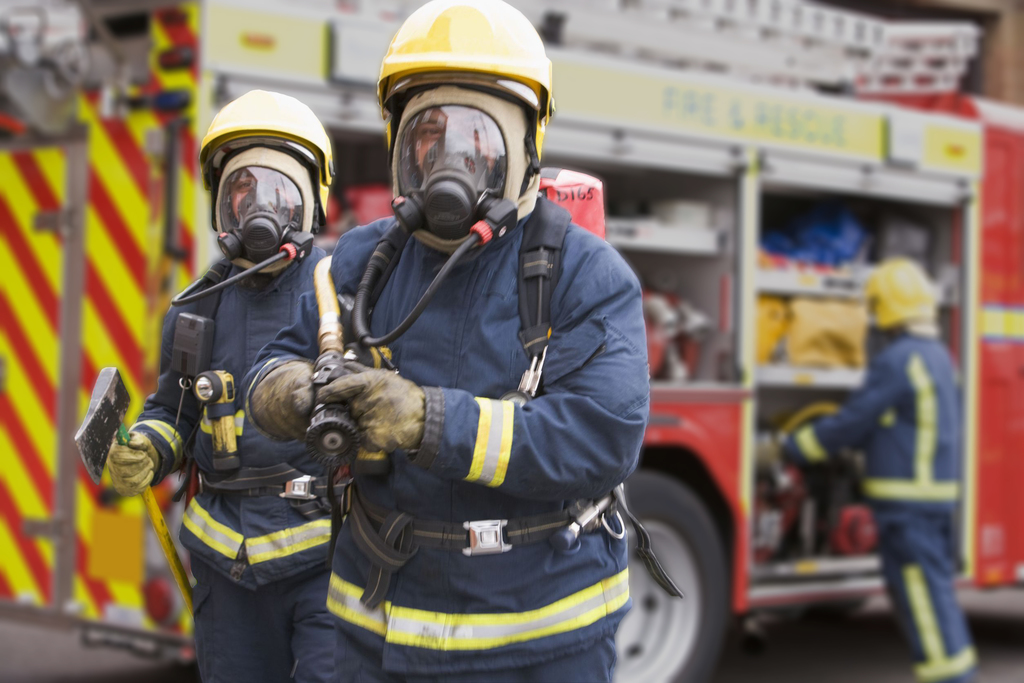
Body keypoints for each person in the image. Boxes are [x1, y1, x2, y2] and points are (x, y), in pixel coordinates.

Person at [243, 1, 656, 681]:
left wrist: (427, 420)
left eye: (479, 136)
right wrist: (282, 393)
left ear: (528, 144)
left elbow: (601, 436)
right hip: (378, 636)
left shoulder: (585, 273)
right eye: (428, 134)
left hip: (540, 641)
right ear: (400, 144)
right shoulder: (356, 262)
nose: (452, 160)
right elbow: (274, 359)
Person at [106, 90, 337, 682]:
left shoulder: (339, 301)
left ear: (311, 205)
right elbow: (173, 409)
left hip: (324, 562)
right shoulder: (195, 312)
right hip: (225, 570)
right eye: (242, 188)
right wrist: (150, 448)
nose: (258, 206)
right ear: (220, 205)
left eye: (277, 190)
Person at [784, 258, 977, 683]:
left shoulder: (898, 360)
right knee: (933, 597)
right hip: (932, 504)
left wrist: (797, 446)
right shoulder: (939, 357)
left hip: (907, 510)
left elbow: (856, 420)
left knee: (926, 606)